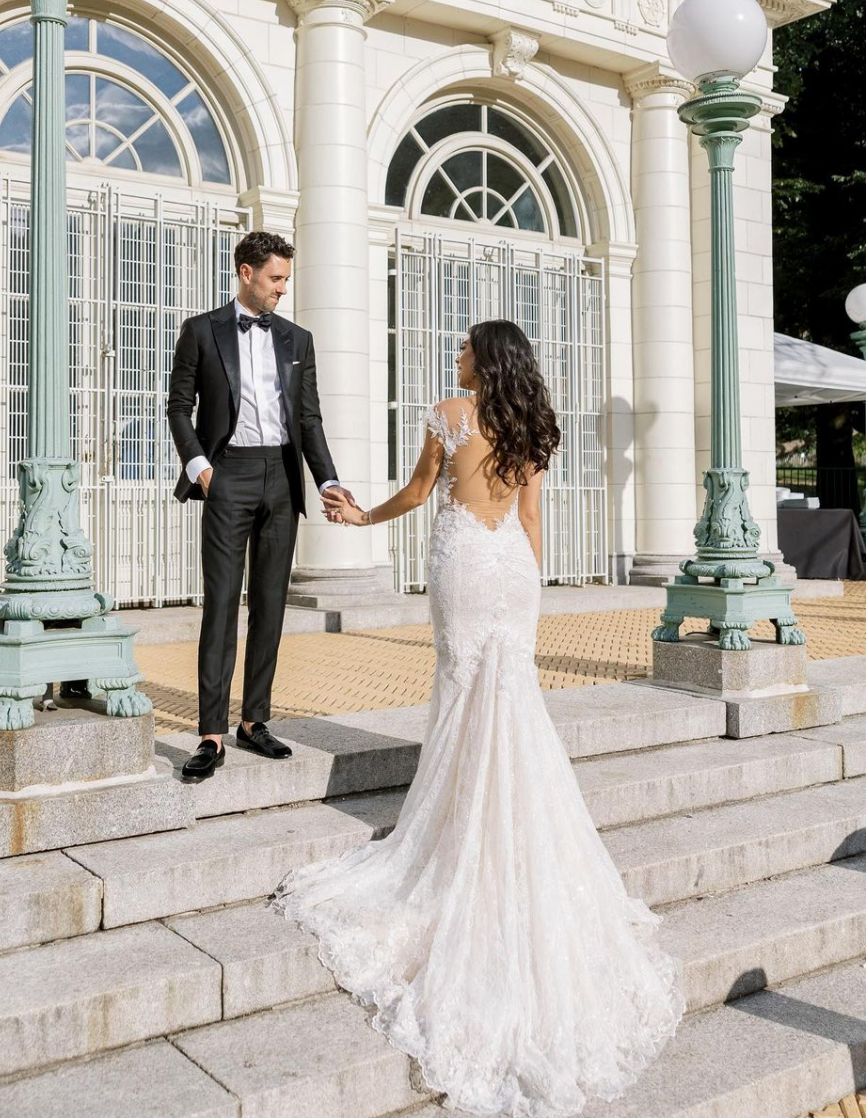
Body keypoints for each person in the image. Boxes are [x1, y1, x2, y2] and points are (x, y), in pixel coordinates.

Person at [275, 320, 683, 1116]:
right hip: (513, 572)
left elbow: (422, 494)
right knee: (510, 699)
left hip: (464, 563)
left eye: (465, 345)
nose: (456, 353)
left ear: (482, 358)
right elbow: (532, 521)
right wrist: (530, 592)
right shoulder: (527, 421)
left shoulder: (450, 413)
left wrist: (361, 521)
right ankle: (499, 826)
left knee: (462, 695)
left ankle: (459, 832)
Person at [167, 231, 355, 779]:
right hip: (228, 475)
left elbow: (309, 419)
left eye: (285, 280)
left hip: (281, 476)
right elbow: (180, 406)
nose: (281, 290)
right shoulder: (201, 331)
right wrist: (201, 469)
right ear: (245, 272)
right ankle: (210, 734)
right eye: (275, 279)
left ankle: (255, 720)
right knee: (222, 604)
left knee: (271, 603)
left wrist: (327, 482)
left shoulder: (298, 339)